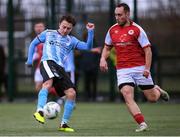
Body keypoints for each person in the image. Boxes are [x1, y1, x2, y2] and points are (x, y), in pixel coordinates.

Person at [99, 3, 170, 132]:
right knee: (127, 94)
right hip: (122, 70)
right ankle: (142, 123)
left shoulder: (137, 29)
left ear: (127, 14)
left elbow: (148, 50)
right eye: (115, 14)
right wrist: (103, 59)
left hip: (140, 67)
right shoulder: (112, 30)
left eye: (119, 15)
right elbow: (107, 47)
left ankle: (157, 90)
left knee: (152, 98)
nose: (117, 17)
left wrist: (147, 69)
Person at [26, 15, 95, 132]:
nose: (65, 30)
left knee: (72, 93)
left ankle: (63, 124)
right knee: (47, 83)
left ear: (71, 29)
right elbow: (33, 44)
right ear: (59, 24)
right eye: (64, 27)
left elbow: (88, 47)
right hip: (47, 62)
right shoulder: (48, 33)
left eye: (68, 28)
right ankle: (39, 111)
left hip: (60, 68)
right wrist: (29, 60)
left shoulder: (72, 40)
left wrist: (91, 32)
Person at [80, 31, 101, 101]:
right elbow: (81, 51)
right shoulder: (83, 43)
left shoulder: (95, 43)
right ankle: (87, 97)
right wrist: (93, 50)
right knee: (87, 82)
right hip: (86, 67)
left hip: (94, 67)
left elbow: (99, 53)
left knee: (94, 82)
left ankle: (94, 97)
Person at [32, 22, 45, 92]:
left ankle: (60, 99)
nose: (39, 28)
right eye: (37, 27)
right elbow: (33, 54)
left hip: (50, 65)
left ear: (44, 28)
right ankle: (42, 101)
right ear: (34, 29)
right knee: (38, 86)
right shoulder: (34, 41)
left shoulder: (48, 38)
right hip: (39, 66)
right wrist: (36, 56)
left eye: (40, 26)